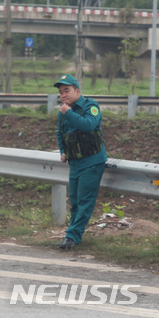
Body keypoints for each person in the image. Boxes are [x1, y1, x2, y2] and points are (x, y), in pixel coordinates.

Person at [54, 74, 108, 250]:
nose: (63, 95)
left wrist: (68, 113)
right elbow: (60, 133)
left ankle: (72, 237)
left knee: (85, 201)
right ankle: (73, 234)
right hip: (75, 163)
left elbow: (88, 126)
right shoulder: (65, 110)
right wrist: (63, 151)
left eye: (67, 90)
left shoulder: (90, 106)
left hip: (92, 161)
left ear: (77, 91)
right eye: (61, 92)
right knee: (76, 201)